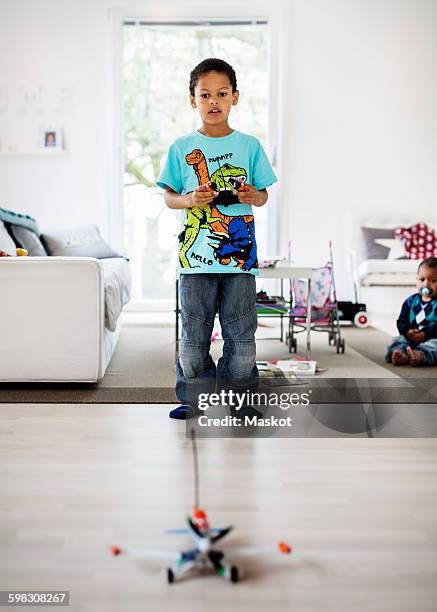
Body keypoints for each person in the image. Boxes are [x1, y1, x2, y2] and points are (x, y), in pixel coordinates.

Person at [156, 58, 277, 419]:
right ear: (192, 100)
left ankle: (239, 400)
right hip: (194, 261)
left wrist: (253, 196)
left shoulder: (250, 146)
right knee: (193, 338)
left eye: (221, 93)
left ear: (235, 97)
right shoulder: (181, 147)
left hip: (241, 259)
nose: (213, 101)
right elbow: (168, 196)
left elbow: (263, 196)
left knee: (242, 337)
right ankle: (195, 398)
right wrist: (191, 199)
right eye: (205, 94)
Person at [385, 257, 437, 366]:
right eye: (422, 280)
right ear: (416, 279)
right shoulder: (410, 301)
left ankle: (420, 355)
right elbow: (401, 321)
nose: (426, 285)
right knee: (397, 339)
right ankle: (401, 354)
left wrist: (425, 333)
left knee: (435, 345)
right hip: (410, 341)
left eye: (433, 281)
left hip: (432, 339)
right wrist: (407, 331)